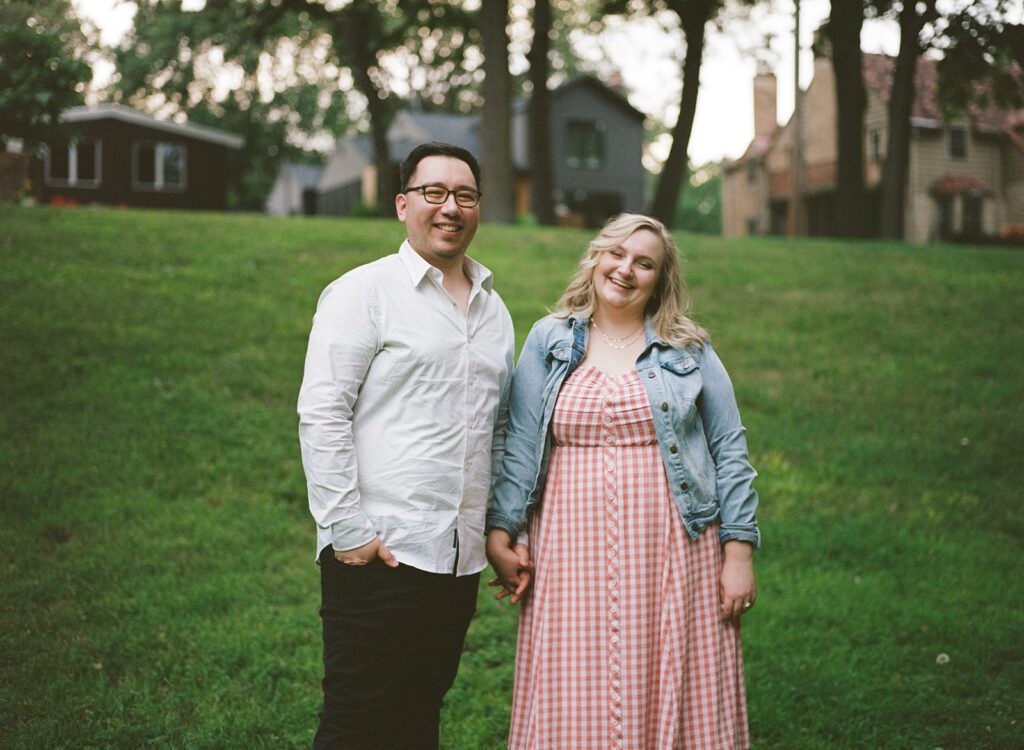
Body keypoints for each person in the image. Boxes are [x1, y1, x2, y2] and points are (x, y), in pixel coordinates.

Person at [486, 213, 760, 749]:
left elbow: (730, 447)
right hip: (569, 550)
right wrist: (503, 529)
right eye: (617, 253)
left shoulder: (689, 350)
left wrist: (739, 551)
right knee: (574, 677)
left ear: (661, 278)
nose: (626, 270)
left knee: (675, 675)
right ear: (596, 257)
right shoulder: (550, 340)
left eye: (644, 262)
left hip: (673, 549)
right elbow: (521, 440)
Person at [298, 142, 515, 749]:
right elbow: (322, 411)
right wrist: (349, 531)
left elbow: (496, 430)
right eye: (434, 193)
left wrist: (491, 529)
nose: (451, 207)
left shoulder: (494, 311)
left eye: (465, 195)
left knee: (419, 716)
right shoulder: (362, 292)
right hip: (379, 552)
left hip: (457, 558)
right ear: (402, 205)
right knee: (355, 722)